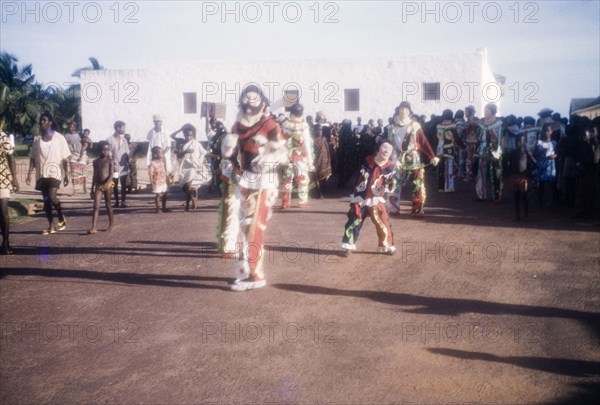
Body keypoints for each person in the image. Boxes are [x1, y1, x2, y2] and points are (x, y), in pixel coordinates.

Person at [224, 85, 287, 291]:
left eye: (255, 98)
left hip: (264, 183)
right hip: (245, 180)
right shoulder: (236, 126)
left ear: (262, 101)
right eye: (247, 98)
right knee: (244, 225)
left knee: (254, 226)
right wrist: (227, 153)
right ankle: (246, 271)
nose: (250, 101)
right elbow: (231, 156)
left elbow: (283, 155)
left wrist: (267, 158)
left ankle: (256, 275)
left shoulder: (269, 125)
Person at [341, 140, 397, 255]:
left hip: (377, 198)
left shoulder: (391, 166)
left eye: (390, 149)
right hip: (361, 197)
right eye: (384, 147)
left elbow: (391, 185)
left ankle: (387, 245)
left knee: (383, 221)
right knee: (354, 220)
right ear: (378, 148)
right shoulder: (368, 161)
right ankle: (348, 246)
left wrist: (388, 187)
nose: (386, 151)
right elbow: (359, 179)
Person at [387, 102, 439, 217]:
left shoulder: (415, 125)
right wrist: (390, 160)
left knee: (418, 183)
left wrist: (432, 155)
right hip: (397, 158)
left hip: (413, 157)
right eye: (401, 109)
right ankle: (393, 208)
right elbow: (389, 145)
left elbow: (423, 141)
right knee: (394, 183)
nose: (403, 111)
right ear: (398, 110)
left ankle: (417, 209)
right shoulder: (391, 128)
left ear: (410, 111)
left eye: (406, 109)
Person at [25, 112, 71, 235]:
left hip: (55, 172)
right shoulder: (37, 139)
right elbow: (33, 158)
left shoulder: (59, 138)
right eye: (41, 120)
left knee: (51, 197)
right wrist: (29, 174)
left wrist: (66, 174)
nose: (42, 122)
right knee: (46, 201)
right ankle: (51, 225)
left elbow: (65, 157)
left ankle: (61, 216)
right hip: (41, 174)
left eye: (44, 120)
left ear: (50, 122)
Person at [280, 103, 314, 209]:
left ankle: (285, 202)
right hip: (300, 156)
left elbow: (281, 141)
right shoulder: (304, 126)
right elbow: (307, 144)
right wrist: (310, 160)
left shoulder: (285, 125)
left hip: (286, 156)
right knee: (302, 179)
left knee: (287, 179)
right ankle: (302, 201)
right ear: (302, 113)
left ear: (291, 113)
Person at [177, 124, 211, 211]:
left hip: (193, 167)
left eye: (190, 135)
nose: (188, 137)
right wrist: (185, 151)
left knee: (188, 186)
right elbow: (178, 155)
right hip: (184, 168)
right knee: (185, 188)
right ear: (184, 135)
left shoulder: (196, 144)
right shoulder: (182, 144)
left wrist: (214, 155)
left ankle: (187, 205)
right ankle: (192, 198)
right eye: (187, 135)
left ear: (193, 136)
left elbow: (204, 153)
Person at [475, 103, 503, 202]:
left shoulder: (498, 123)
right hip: (483, 150)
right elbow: (478, 137)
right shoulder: (481, 124)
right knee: (481, 172)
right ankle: (481, 194)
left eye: (487, 111)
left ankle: (496, 195)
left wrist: (497, 152)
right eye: (484, 111)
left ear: (492, 111)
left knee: (496, 172)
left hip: (495, 150)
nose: (485, 113)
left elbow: (499, 139)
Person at [88, 142, 115, 234]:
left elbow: (111, 174)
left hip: (108, 185)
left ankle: (111, 224)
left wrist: (107, 184)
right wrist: (91, 188)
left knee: (108, 204)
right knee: (96, 206)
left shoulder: (110, 161)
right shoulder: (95, 162)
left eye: (107, 150)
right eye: (103, 150)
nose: (106, 152)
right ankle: (93, 227)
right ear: (99, 150)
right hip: (98, 186)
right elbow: (94, 175)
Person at [508, 135, 536, 221]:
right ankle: (517, 215)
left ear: (524, 143)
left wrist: (529, 173)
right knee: (516, 196)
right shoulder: (512, 152)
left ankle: (526, 215)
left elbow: (535, 162)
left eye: (521, 141)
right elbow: (508, 163)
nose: (519, 143)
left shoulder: (527, 153)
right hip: (514, 176)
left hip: (524, 177)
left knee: (525, 197)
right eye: (518, 141)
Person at [435, 109, 463, 192]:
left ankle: (440, 187)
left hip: (439, 148)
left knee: (440, 168)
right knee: (449, 167)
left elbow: (435, 139)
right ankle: (448, 186)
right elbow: (457, 138)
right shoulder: (452, 126)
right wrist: (463, 146)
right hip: (449, 148)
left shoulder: (438, 126)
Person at [106, 121, 130, 208]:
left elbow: (127, 152)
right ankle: (116, 201)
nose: (124, 130)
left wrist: (129, 161)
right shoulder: (109, 140)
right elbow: (109, 154)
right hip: (115, 166)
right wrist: (113, 165)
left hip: (123, 166)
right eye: (123, 128)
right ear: (118, 128)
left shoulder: (124, 140)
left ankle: (123, 201)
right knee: (114, 184)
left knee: (123, 184)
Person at [1, 131, 17, 254]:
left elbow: (10, 156)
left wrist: (15, 178)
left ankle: (5, 242)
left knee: (3, 211)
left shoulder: (2, 135)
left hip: (2, 179)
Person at [535, 123, 557, 210]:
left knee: (551, 184)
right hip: (542, 164)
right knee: (541, 185)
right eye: (545, 131)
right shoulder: (539, 143)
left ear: (551, 131)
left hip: (551, 164)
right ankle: (541, 203)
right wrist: (542, 153)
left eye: (548, 131)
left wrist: (554, 156)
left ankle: (551, 203)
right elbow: (535, 153)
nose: (547, 133)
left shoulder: (554, 143)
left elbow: (557, 152)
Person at [65, 120, 89, 195]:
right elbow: (65, 145)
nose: (70, 128)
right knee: (73, 173)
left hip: (82, 154)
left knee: (83, 172)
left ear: (75, 127)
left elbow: (87, 142)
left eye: (72, 126)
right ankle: (75, 189)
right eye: (70, 126)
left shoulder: (80, 135)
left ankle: (84, 187)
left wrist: (82, 155)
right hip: (72, 155)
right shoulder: (66, 136)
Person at [147, 114, 173, 180]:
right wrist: (154, 155)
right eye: (156, 121)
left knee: (165, 169)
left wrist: (162, 154)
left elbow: (168, 145)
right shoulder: (151, 132)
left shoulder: (166, 131)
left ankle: (165, 184)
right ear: (153, 122)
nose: (157, 123)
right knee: (155, 170)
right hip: (154, 155)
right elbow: (150, 145)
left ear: (161, 122)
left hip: (163, 154)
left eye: (159, 121)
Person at [312, 124, 332, 198]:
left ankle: (322, 190)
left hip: (324, 160)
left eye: (320, 130)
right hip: (316, 160)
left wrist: (329, 158)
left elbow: (327, 149)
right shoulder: (312, 140)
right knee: (316, 177)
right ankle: (319, 192)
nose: (319, 132)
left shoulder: (324, 139)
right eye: (318, 130)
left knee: (324, 177)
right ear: (314, 131)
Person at [149, 146, 170, 213]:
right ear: (155, 154)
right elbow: (150, 174)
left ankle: (164, 207)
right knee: (158, 195)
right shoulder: (152, 163)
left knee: (165, 194)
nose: (162, 155)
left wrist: (167, 178)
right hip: (157, 182)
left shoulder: (162, 161)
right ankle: (157, 208)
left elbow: (164, 171)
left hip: (163, 181)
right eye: (160, 153)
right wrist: (152, 183)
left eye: (162, 153)